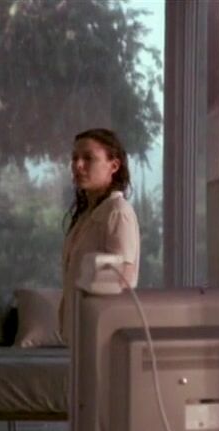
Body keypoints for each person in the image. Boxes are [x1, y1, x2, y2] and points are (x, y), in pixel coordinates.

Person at [60, 128, 140, 345]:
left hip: (101, 336)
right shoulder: (86, 215)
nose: (78, 165)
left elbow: (122, 281)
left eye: (88, 158)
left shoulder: (118, 212)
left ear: (114, 165)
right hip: (79, 334)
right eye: (75, 158)